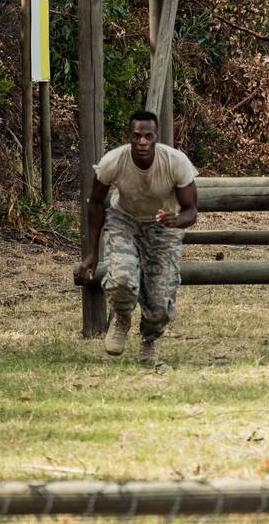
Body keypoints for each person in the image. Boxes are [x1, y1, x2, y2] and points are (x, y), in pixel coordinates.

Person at [77, 109, 198, 362]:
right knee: (121, 277)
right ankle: (121, 318)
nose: (142, 142)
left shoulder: (175, 162)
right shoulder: (113, 161)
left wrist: (177, 220)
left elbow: (191, 211)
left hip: (163, 225)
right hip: (125, 220)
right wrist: (92, 253)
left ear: (157, 137)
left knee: (160, 298)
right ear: (129, 137)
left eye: (148, 137)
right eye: (136, 136)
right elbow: (96, 203)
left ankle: (149, 341)